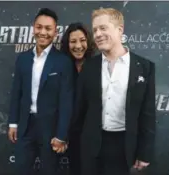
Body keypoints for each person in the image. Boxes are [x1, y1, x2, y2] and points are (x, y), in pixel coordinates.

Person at [73, 8, 156, 175]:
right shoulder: (89, 66)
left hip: (125, 147)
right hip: (91, 145)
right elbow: (79, 112)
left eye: (103, 28)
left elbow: (147, 115)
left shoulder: (145, 67)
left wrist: (145, 153)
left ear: (120, 29)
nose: (97, 34)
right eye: (95, 29)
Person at [7, 8, 74, 175]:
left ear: (55, 32)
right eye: (39, 27)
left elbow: (66, 102)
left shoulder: (63, 62)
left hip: (50, 130)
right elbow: (17, 93)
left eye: (48, 28)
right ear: (33, 28)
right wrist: (13, 123)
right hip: (26, 126)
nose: (42, 32)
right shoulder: (22, 59)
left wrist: (61, 135)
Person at [60, 22, 94, 175]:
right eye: (73, 41)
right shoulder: (62, 68)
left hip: (95, 136)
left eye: (82, 40)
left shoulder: (98, 66)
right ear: (67, 44)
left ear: (88, 42)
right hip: (71, 135)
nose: (78, 46)